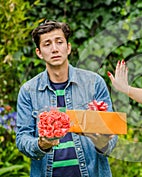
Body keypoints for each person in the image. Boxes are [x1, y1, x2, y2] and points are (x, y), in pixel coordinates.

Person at [16, 20, 118, 177]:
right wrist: (42, 144)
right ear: (39, 52)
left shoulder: (94, 83)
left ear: (68, 47)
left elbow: (110, 139)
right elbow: (22, 139)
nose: (55, 49)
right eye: (47, 44)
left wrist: (102, 140)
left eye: (59, 42)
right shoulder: (28, 91)